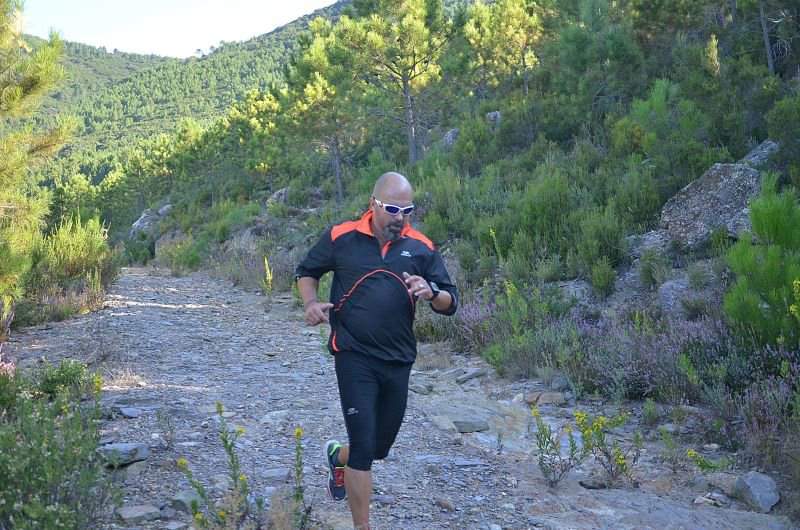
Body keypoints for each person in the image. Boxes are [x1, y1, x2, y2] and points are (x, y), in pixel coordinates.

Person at [295, 172, 458, 530]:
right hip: (352, 353)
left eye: (407, 210)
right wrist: (310, 303)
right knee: (364, 447)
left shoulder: (421, 247)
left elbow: (451, 301)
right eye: (393, 209)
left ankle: (338, 456)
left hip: (398, 359)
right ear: (373, 204)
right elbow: (307, 271)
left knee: (379, 447)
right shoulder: (342, 237)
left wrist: (432, 293)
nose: (400, 217)